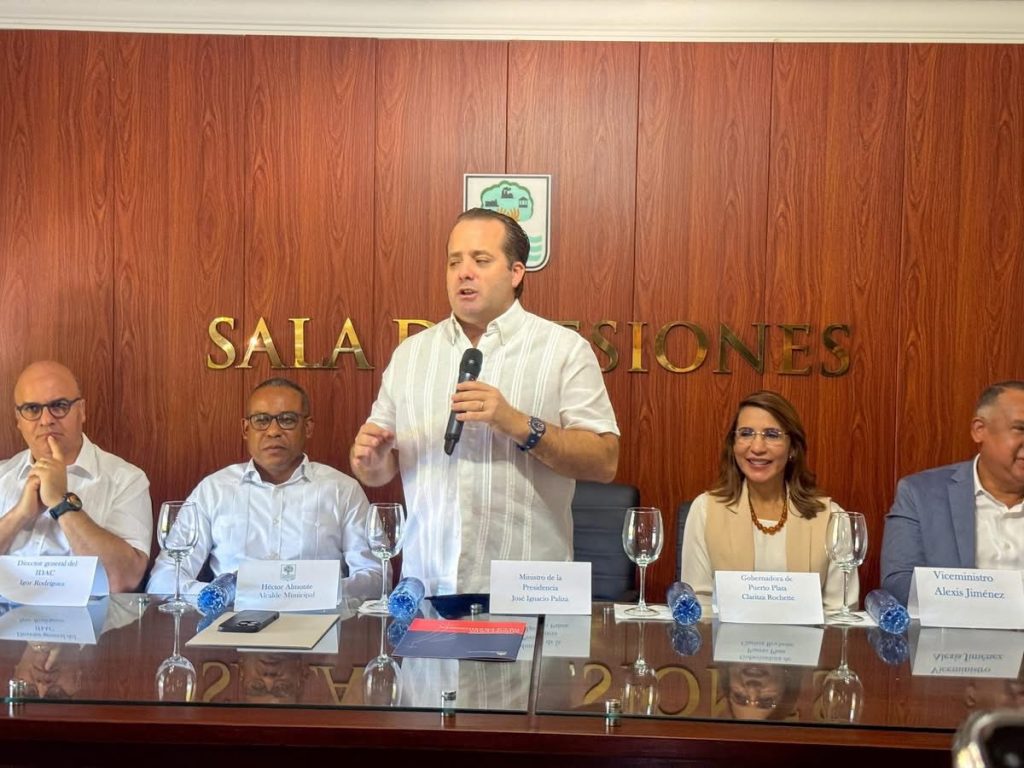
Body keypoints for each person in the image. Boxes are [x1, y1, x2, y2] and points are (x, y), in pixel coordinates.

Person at [350, 208, 619, 595]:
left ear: (516, 272)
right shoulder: (411, 355)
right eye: (454, 262)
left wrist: (516, 424)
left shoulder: (563, 350)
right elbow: (379, 471)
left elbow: (605, 461)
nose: (464, 272)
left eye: (480, 260)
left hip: (529, 591)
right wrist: (371, 462)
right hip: (428, 587)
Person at [147, 378, 381, 600]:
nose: (273, 431)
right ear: (245, 429)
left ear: (308, 427)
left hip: (321, 620)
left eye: (287, 419)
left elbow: (376, 577)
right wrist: (222, 595)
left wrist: (319, 592)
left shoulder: (343, 490)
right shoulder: (213, 490)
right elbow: (164, 578)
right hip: (230, 620)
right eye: (261, 420)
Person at [680, 390, 856, 613]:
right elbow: (699, 605)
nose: (757, 447)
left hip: (810, 637)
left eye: (772, 435)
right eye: (746, 433)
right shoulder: (705, 510)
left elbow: (841, 611)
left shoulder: (831, 518)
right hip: (725, 636)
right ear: (733, 445)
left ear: (793, 448)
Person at [0, 361, 152, 593]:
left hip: (92, 615)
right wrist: (19, 514)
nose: (46, 420)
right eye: (32, 409)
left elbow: (124, 579)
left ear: (81, 410)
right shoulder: (3, 475)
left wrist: (62, 502)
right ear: (18, 419)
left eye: (59, 406)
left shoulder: (126, 479)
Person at [880, 380, 1024, 606]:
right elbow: (899, 583)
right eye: (1020, 429)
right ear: (979, 430)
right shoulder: (920, 494)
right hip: (952, 628)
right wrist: (983, 602)